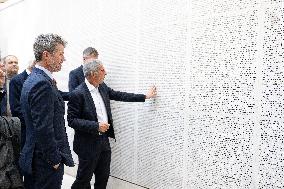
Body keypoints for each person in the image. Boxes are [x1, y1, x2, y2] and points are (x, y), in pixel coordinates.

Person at [67, 59, 157, 189]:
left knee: (103, 178)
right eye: (103, 70)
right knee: (83, 181)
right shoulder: (78, 93)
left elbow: (120, 95)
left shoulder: (102, 87)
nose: (106, 73)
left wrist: (145, 96)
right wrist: (96, 126)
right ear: (93, 74)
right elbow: (72, 120)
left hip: (104, 141)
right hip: (87, 145)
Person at [19, 33, 74, 189]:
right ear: (46, 55)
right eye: (60, 53)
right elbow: (43, 128)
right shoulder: (41, 83)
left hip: (39, 159)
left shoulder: (37, 79)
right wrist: (54, 160)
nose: (63, 58)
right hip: (44, 163)